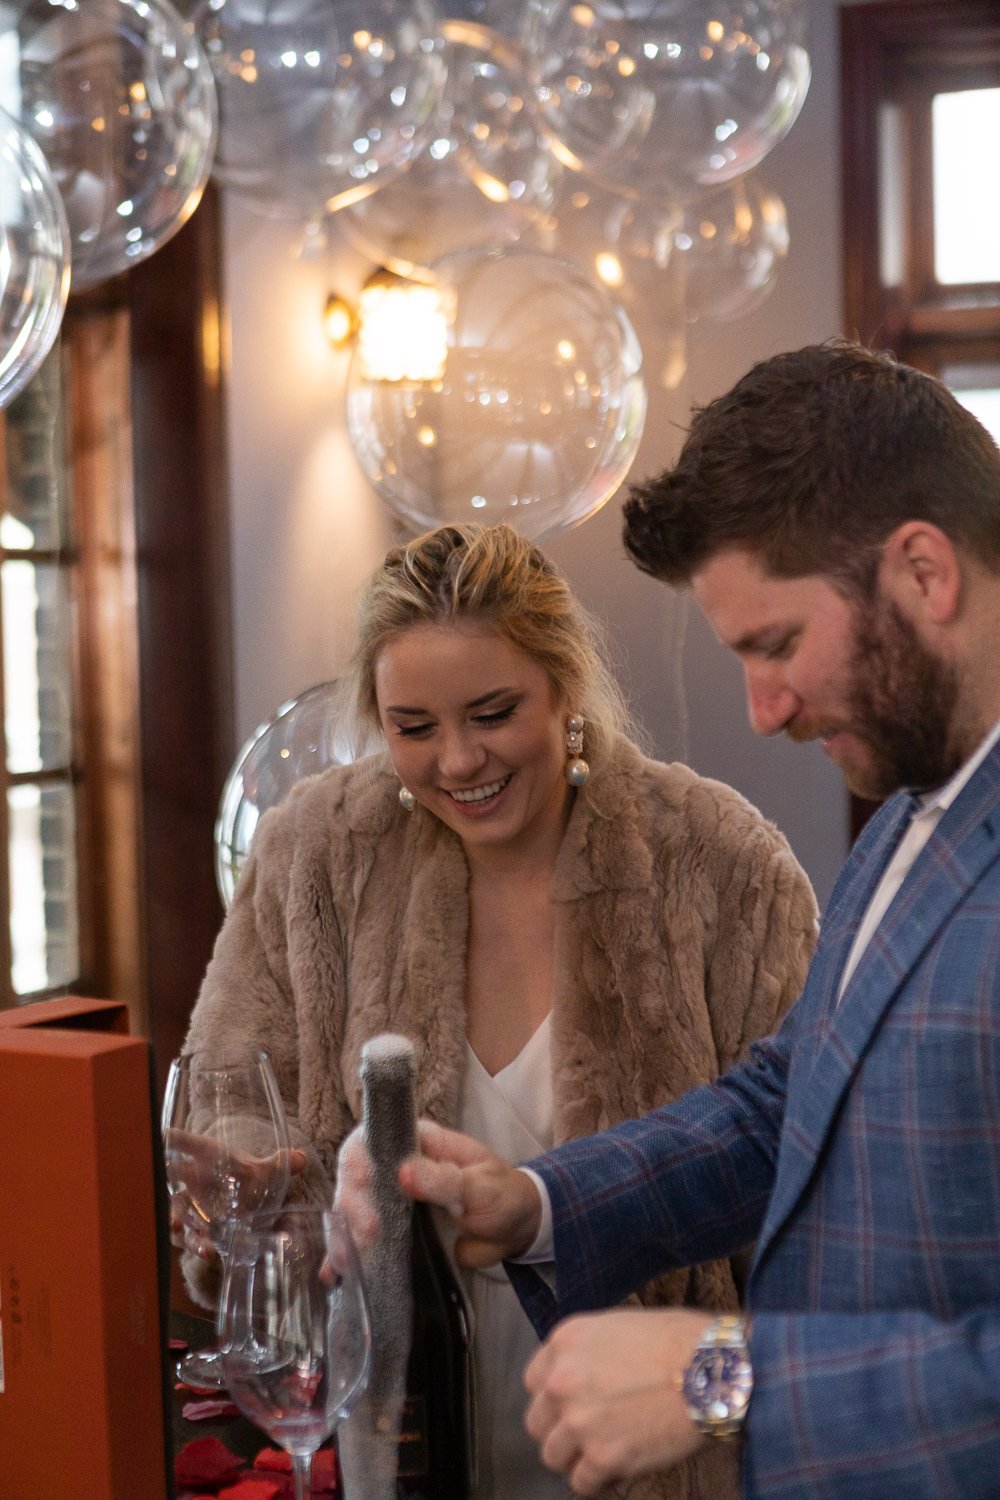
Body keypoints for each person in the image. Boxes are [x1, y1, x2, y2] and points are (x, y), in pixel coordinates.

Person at [391, 342, 1000, 1499]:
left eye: (775, 644)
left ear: (923, 572)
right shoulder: (915, 807)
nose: (763, 711)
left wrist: (723, 1379)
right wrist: (539, 1203)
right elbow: (791, 1106)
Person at [179, 520, 817, 1500]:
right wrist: (250, 1198)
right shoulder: (314, 855)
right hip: (394, 1430)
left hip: (655, 1438)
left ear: (564, 688)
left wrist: (733, 1399)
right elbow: (232, 1095)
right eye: (415, 727)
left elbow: (799, 1182)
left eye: (492, 711)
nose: (459, 761)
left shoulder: (720, 868)